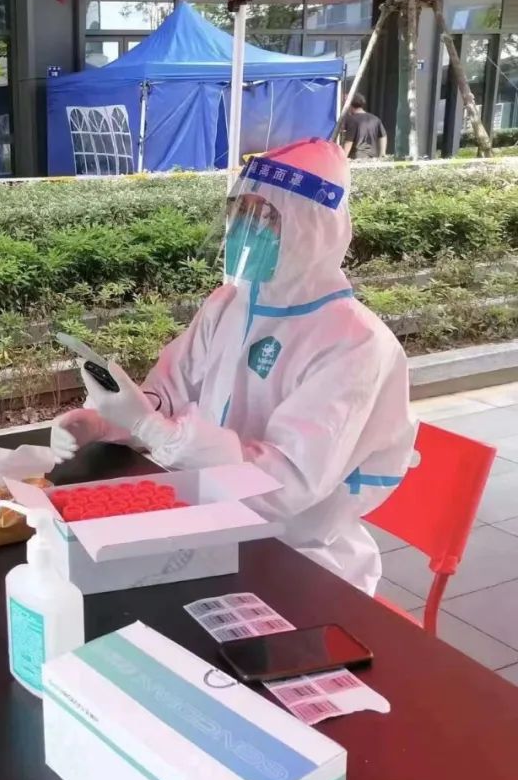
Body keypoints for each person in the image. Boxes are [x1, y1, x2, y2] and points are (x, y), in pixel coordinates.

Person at [50, 138, 416, 595]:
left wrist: (155, 431)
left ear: (313, 229)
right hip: (204, 522)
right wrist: (106, 422)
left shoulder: (354, 344)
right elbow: (171, 391)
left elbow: (284, 484)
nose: (245, 229)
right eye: (240, 212)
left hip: (294, 557)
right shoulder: (229, 304)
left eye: (265, 217)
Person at [341, 94, 388, 159]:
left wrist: (343, 158)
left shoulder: (351, 120)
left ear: (350, 105)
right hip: (372, 158)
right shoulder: (375, 119)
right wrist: (382, 153)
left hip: (356, 158)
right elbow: (383, 136)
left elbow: (349, 141)